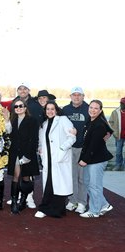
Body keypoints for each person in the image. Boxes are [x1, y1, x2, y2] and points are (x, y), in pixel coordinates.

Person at [36, 101, 76, 218]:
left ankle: (56, 210)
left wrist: (62, 149)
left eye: (52, 109)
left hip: (59, 158)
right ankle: (45, 208)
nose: (50, 111)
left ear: (56, 110)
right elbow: (41, 142)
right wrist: (40, 150)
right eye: (47, 109)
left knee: (58, 185)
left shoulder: (63, 120)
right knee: (49, 184)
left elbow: (72, 137)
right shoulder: (44, 124)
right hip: (48, 159)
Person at [10, 82, 43, 209]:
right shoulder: (12, 120)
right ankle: (14, 201)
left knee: (26, 178)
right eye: (16, 106)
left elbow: (34, 139)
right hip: (15, 153)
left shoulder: (32, 120)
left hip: (27, 153)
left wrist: (28, 155)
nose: (18, 108)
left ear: (25, 107)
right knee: (15, 176)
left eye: (21, 106)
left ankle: (24, 200)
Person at [78, 100, 114, 218]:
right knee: (89, 183)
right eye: (91, 107)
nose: (92, 110)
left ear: (100, 110)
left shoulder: (99, 124)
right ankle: (104, 205)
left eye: (96, 108)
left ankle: (94, 211)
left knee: (94, 185)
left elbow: (94, 145)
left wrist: (85, 159)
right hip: (91, 159)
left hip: (97, 160)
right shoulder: (91, 120)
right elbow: (109, 131)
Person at [62, 86, 89, 214]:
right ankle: (72, 200)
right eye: (74, 95)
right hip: (69, 148)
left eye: (79, 95)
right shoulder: (65, 110)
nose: (76, 97)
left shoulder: (89, 109)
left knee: (82, 178)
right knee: (71, 176)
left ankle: (82, 202)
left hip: (83, 148)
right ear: (71, 96)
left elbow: (104, 129)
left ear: (83, 96)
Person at [108, 97, 125, 171]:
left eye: (123, 104)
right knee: (118, 152)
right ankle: (118, 165)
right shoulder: (115, 112)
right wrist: (114, 131)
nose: (122, 105)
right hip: (119, 136)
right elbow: (111, 122)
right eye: (121, 103)